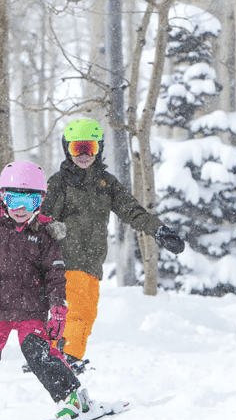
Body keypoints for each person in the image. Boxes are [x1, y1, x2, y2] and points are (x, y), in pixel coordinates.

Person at [40, 118, 185, 372]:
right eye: (77, 149)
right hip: (65, 260)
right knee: (72, 312)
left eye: (90, 148)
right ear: (67, 149)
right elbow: (43, 217)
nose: (84, 156)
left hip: (92, 263)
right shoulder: (59, 182)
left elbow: (131, 210)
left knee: (87, 315)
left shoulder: (106, 183)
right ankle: (59, 358)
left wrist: (158, 230)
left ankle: (67, 358)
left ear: (99, 149)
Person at [0, 161, 89, 420]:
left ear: (41, 201)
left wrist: (58, 309)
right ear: (2, 199)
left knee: (40, 355)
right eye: (13, 200)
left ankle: (70, 395)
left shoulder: (46, 235)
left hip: (31, 310)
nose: (21, 209)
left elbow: (55, 276)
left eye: (30, 201)